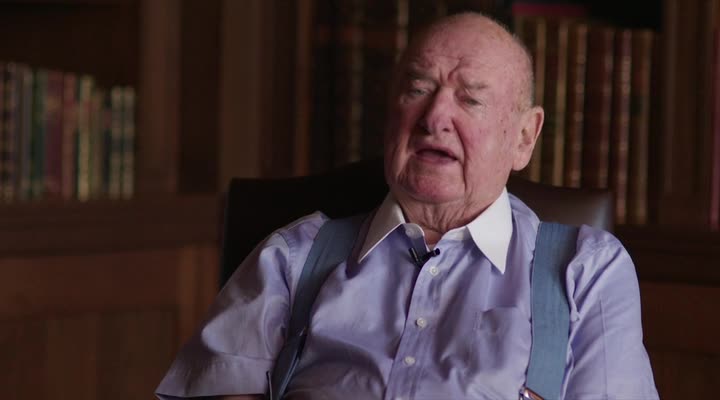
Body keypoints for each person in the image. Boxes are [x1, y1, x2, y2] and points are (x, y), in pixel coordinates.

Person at [156, 12, 658, 400]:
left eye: (470, 99)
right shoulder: (291, 257)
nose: (434, 116)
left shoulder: (586, 272)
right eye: (417, 89)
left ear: (525, 137)